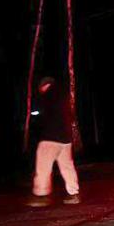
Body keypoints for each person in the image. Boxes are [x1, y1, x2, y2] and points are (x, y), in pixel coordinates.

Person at [29, 76, 79, 207]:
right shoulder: (63, 95)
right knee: (67, 167)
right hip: (65, 139)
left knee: (43, 166)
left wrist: (35, 117)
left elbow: (41, 115)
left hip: (50, 137)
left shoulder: (48, 96)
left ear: (43, 86)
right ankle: (73, 193)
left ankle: (41, 195)